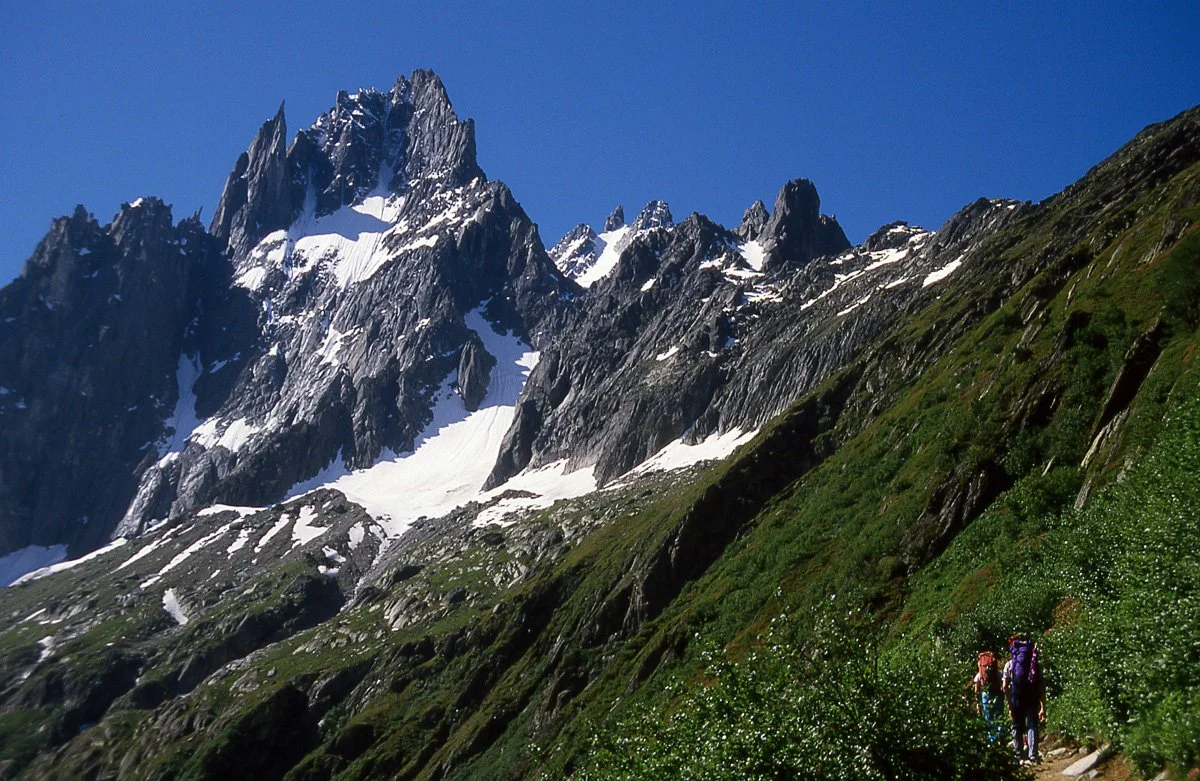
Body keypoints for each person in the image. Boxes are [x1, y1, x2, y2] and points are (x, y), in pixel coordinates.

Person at [1002, 634, 1046, 764]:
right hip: (1032, 696)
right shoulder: (1035, 665)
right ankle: (1033, 755)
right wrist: (1043, 707)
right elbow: (1041, 686)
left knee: (1017, 725)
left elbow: (1005, 687)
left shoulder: (1009, 665)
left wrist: (1010, 705)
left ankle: (1018, 754)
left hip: (1016, 696)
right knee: (1032, 724)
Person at [972, 650, 1005, 743]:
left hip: (986, 695)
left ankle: (992, 740)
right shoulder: (998, 673)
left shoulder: (980, 675)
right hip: (997, 695)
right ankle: (1000, 737)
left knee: (989, 718)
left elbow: (976, 689)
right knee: (999, 716)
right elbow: (1003, 684)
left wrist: (978, 703)